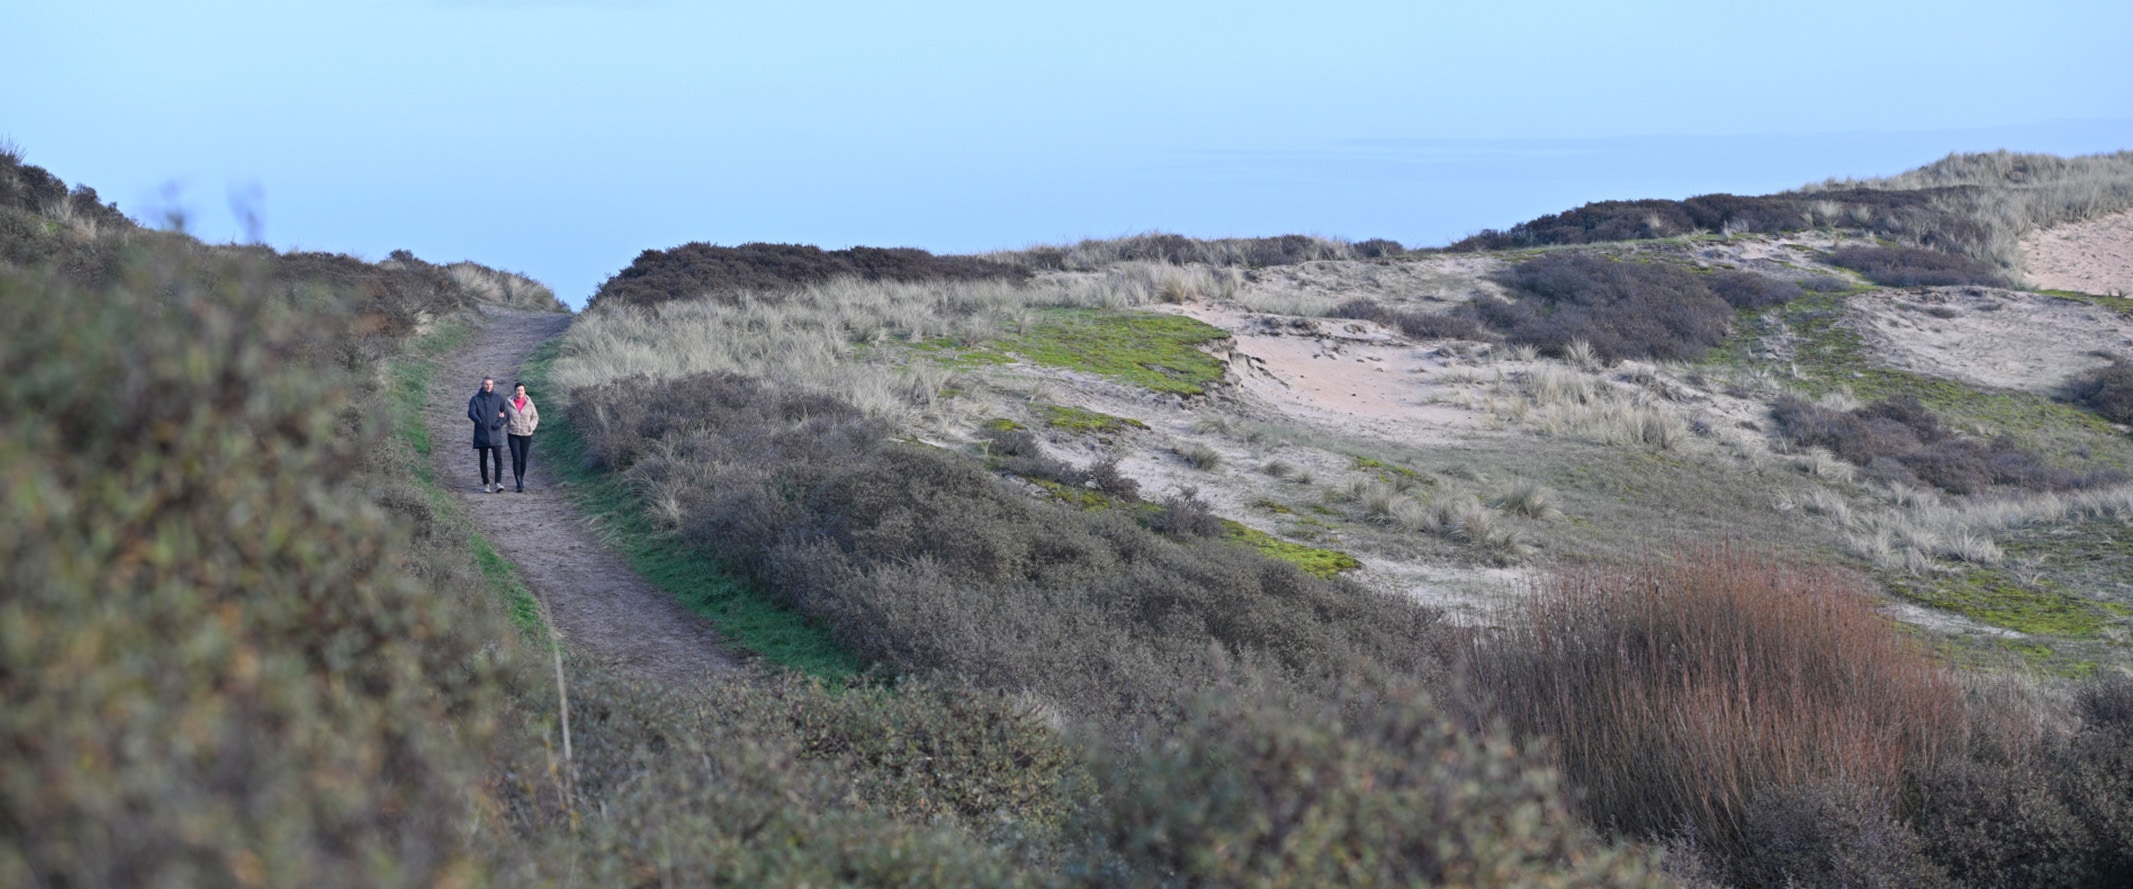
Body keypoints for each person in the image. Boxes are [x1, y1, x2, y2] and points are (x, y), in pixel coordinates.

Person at [466, 376, 508, 494]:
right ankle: (486, 484)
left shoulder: (499, 398)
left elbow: (505, 414)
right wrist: (478, 420)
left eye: (490, 384)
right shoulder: (475, 399)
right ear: (482, 385)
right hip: (481, 432)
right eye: (486, 384)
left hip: (495, 433)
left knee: (498, 459)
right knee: (483, 460)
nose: (488, 386)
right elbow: (471, 412)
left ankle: (498, 483)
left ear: (493, 385)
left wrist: (499, 423)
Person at [504, 381, 540, 493]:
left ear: (525, 391)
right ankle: (519, 483)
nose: (520, 392)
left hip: (526, 434)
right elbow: (504, 416)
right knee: (516, 458)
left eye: (522, 390)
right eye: (518, 390)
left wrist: (531, 427)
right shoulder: (508, 403)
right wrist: (499, 420)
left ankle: (521, 479)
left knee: (523, 459)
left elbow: (535, 417)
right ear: (515, 391)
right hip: (513, 434)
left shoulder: (530, 404)